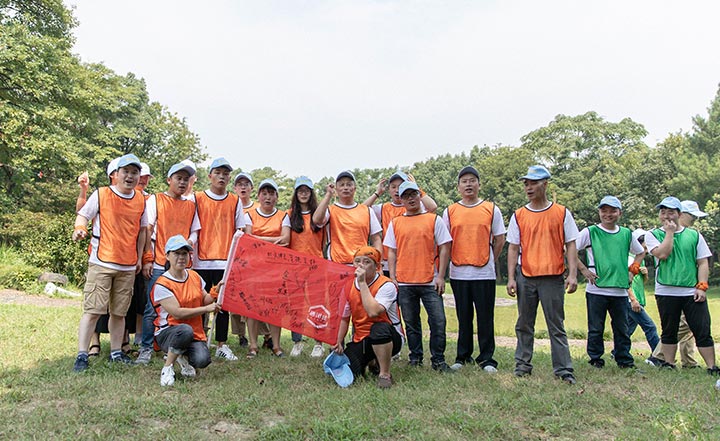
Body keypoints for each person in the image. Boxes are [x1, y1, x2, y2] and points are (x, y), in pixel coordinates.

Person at [71, 154, 147, 371]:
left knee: (119, 313)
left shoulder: (141, 200)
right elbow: (83, 216)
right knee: (93, 310)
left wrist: (139, 258)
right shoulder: (101, 194)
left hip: (128, 266)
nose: (130, 176)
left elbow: (143, 231)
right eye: (126, 172)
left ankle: (116, 352)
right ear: (117, 174)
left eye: (134, 172)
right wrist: (80, 229)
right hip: (101, 262)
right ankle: (82, 355)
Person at [506, 165, 579, 384]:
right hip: (526, 276)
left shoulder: (561, 213)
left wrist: (573, 274)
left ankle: (564, 369)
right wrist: (511, 278)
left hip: (553, 277)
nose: (529, 188)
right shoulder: (519, 215)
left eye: (533, 183)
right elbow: (513, 248)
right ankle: (522, 365)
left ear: (545, 184)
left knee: (556, 325)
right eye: (526, 184)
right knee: (524, 324)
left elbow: (571, 244)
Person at [644, 197, 719, 374]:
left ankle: (712, 367)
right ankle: (669, 363)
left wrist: (702, 286)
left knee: (702, 329)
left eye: (671, 212)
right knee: (669, 330)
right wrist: (669, 233)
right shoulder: (652, 234)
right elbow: (662, 254)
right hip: (666, 290)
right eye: (663, 212)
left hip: (691, 290)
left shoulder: (694, 235)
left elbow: (702, 262)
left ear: (679, 214)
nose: (666, 216)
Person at [385, 181, 453, 372]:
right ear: (401, 199)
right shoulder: (396, 223)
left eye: (413, 194)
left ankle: (438, 360)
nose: (411, 199)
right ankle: (415, 357)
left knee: (438, 322)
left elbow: (445, 247)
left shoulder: (433, 220)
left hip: (430, 280)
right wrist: (393, 277)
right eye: (406, 196)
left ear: (419, 195)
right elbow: (391, 252)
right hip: (405, 282)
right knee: (411, 323)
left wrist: (441, 276)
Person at [136, 161, 201, 365]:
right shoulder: (156, 200)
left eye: (186, 179)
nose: (182, 183)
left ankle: (176, 347)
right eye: (178, 178)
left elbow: (195, 231)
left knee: (182, 305)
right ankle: (146, 347)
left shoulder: (191, 205)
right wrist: (147, 258)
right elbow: (148, 229)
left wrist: (189, 242)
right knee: (152, 308)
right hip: (159, 263)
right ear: (169, 180)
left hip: (182, 265)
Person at [442, 166, 506, 372]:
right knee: (463, 317)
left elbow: (500, 239)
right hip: (459, 272)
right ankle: (463, 356)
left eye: (472, 180)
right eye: (464, 181)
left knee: (485, 317)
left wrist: (490, 258)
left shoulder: (491, 209)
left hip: (484, 272)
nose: (468, 184)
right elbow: (445, 243)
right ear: (458, 187)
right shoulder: (450, 211)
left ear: (479, 184)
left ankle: (487, 359)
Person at [575, 196, 644, 369]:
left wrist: (632, 271)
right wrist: (583, 270)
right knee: (596, 328)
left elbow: (641, 252)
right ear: (599, 212)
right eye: (604, 210)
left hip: (620, 289)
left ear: (619, 213)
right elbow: (568, 249)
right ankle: (595, 359)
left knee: (622, 328)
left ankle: (624, 360)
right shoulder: (590, 232)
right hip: (596, 289)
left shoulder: (626, 233)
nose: (608, 214)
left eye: (612, 211)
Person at [192, 158, 245, 361]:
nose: (222, 177)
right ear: (210, 176)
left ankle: (222, 344)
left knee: (223, 305)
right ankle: (198, 341)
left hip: (225, 261)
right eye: (218, 173)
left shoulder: (234, 201)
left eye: (225, 173)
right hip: (200, 261)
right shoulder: (197, 198)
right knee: (199, 303)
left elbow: (240, 230)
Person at [151, 235, 221, 386]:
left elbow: (205, 299)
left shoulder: (194, 276)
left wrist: (216, 290)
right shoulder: (162, 284)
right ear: (167, 256)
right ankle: (167, 367)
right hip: (169, 332)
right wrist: (206, 309)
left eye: (184, 253)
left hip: (193, 332)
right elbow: (177, 313)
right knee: (184, 330)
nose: (181, 257)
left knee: (202, 360)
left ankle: (181, 356)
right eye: (176, 253)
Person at [332, 246, 404, 388]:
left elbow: (373, 312)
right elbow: (344, 318)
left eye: (366, 262)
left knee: (379, 329)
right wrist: (338, 341)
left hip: (389, 336)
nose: (361, 265)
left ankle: (384, 374)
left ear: (377, 267)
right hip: (362, 337)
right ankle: (372, 361)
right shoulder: (348, 286)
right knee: (350, 372)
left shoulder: (386, 285)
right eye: (357, 261)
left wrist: (362, 283)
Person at [244, 178, 290, 358]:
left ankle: (276, 346)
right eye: (264, 194)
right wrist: (273, 240)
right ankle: (253, 345)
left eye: (271, 194)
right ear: (258, 196)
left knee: (275, 307)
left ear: (277, 197)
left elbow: (286, 239)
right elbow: (247, 238)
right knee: (252, 306)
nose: (268, 197)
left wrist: (259, 239)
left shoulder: (283, 216)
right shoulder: (250, 215)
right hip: (254, 267)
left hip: (276, 269)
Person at [283, 176, 327, 358]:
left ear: (311, 193)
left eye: (306, 190)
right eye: (300, 190)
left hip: (316, 266)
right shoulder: (289, 215)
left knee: (318, 305)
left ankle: (318, 342)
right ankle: (297, 341)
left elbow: (325, 241)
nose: (303, 194)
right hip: (295, 268)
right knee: (296, 306)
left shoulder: (320, 214)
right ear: (296, 193)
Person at [364, 170, 438, 275]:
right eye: (393, 187)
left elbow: (433, 207)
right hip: (388, 262)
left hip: (410, 260)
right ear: (389, 190)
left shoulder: (415, 207)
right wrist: (377, 193)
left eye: (400, 186)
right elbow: (362, 210)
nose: (397, 190)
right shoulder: (383, 208)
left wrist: (416, 188)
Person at [312, 170, 383, 265]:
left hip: (361, 265)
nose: (345, 188)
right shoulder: (330, 210)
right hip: (337, 265)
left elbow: (376, 239)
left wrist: (378, 264)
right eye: (342, 185)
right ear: (336, 189)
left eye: (349, 185)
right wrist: (328, 195)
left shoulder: (367, 211)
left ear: (354, 188)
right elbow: (316, 220)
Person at [230, 171, 257, 348]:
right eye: (240, 184)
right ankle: (241, 335)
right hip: (234, 258)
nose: (243, 187)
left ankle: (265, 335)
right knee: (234, 298)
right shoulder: (231, 204)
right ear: (235, 188)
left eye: (246, 184)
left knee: (254, 299)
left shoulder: (257, 208)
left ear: (251, 188)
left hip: (253, 260)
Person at [625, 229, 660, 363]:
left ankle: (616, 352)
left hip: (639, 299)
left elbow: (641, 282)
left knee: (628, 330)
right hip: (631, 300)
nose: (647, 250)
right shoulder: (629, 258)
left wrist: (645, 275)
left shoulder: (641, 260)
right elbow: (625, 282)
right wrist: (633, 300)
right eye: (645, 247)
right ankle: (658, 355)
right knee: (650, 326)